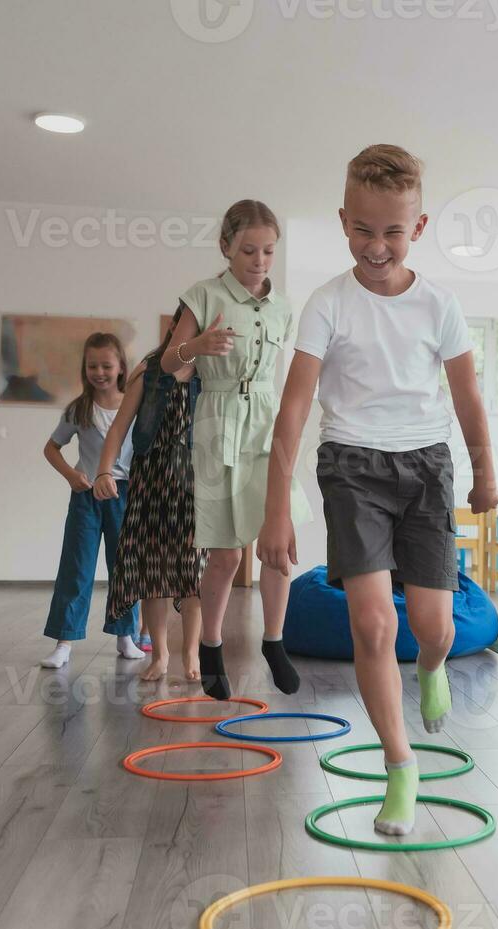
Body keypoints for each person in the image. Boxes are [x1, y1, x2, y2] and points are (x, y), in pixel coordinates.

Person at [259, 144, 498, 835]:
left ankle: (431, 667)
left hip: (427, 469)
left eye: (393, 231)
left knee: (435, 628)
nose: (376, 245)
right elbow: (295, 406)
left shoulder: (439, 305)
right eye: (363, 229)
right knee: (372, 623)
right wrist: (277, 509)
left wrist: (485, 473)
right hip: (351, 468)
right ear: (343, 221)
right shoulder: (326, 304)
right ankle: (400, 767)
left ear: (418, 228)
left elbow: (469, 398)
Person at [159, 200, 310, 699]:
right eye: (249, 249)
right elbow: (167, 365)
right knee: (224, 554)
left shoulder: (284, 306)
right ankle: (210, 645)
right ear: (226, 246)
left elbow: (285, 376)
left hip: (268, 425)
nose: (260, 259)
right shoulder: (202, 296)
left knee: (279, 544)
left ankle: (274, 640)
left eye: (268, 250)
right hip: (219, 422)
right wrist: (197, 346)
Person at [95, 308, 206, 683]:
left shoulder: (211, 375)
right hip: (151, 481)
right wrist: (104, 470)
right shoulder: (150, 371)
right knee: (151, 570)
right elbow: (119, 428)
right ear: (174, 327)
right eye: (185, 327)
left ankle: (192, 653)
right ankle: (159, 654)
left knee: (195, 571)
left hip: (196, 484)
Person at [39, 332, 142, 669]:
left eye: (106, 365)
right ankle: (64, 642)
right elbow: (51, 449)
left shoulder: (134, 406)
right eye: (93, 365)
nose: (100, 371)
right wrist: (71, 475)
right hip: (85, 497)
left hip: (124, 495)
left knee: (124, 568)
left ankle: (126, 636)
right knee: (76, 567)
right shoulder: (79, 409)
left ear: (120, 368)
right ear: (85, 369)